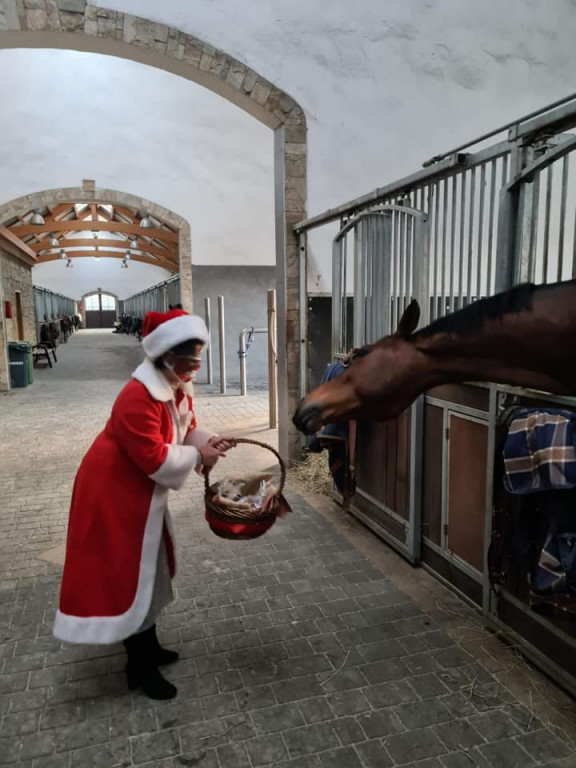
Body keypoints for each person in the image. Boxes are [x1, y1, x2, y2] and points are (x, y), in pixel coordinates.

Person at [53, 308, 234, 700]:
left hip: (139, 493)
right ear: (166, 355)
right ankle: (139, 665)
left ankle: (147, 647)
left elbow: (184, 430)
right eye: (189, 361)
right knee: (132, 574)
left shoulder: (174, 387)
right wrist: (199, 457)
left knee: (150, 571)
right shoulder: (137, 396)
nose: (194, 370)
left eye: (197, 360)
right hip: (112, 495)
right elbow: (154, 457)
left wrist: (208, 441)